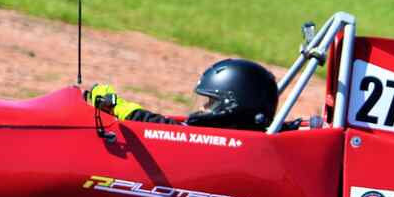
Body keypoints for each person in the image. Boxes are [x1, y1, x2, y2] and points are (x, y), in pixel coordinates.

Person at [85, 58, 278, 131]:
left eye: (211, 103)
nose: (203, 108)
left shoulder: (236, 148)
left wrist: (117, 106)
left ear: (233, 108)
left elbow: (171, 132)